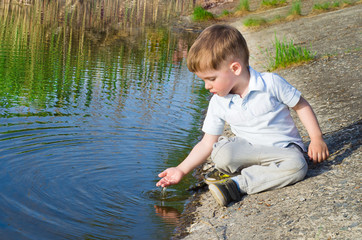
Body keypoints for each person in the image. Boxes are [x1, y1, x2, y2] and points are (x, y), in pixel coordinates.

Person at [156, 24, 329, 206]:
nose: (207, 86)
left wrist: (316, 138)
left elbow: (301, 105)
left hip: (282, 151)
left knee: (297, 166)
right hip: (249, 151)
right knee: (220, 153)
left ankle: (237, 184)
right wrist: (181, 169)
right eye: (204, 80)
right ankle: (243, 171)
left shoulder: (270, 84)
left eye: (211, 79)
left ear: (235, 68)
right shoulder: (218, 102)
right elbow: (207, 142)